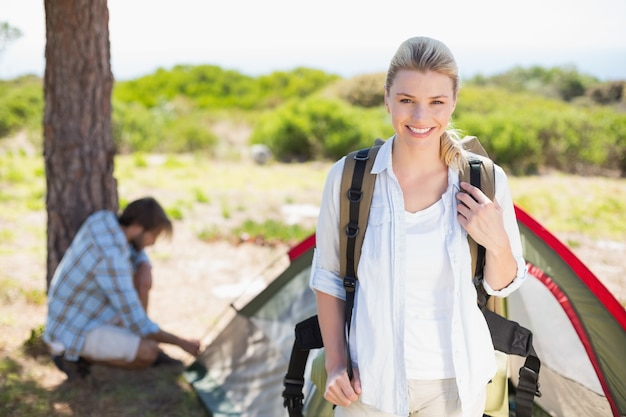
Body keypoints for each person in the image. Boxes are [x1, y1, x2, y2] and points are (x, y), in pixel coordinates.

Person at [310, 37, 527, 417]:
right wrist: (335, 365)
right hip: (368, 384)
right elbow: (328, 277)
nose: (421, 117)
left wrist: (498, 243)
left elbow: (501, 283)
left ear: (454, 101)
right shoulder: (349, 178)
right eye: (407, 100)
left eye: (436, 102)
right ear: (387, 98)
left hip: (456, 387)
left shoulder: (485, 181)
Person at [44, 197, 201, 380]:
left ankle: (136, 342)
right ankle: (72, 357)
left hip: (82, 312)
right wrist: (181, 343)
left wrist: (144, 265)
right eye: (153, 236)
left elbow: (136, 248)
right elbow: (138, 323)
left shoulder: (102, 220)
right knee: (148, 353)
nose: (152, 244)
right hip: (72, 331)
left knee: (140, 282)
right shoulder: (111, 259)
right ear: (138, 227)